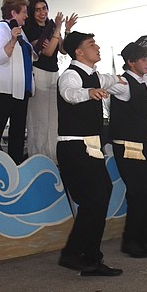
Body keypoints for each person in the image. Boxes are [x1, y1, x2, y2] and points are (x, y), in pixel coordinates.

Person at [56, 31, 124, 277]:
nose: (97, 47)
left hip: (90, 147)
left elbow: (107, 79)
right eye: (91, 44)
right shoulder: (71, 75)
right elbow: (69, 94)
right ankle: (75, 254)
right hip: (74, 146)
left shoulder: (93, 74)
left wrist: (124, 79)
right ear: (78, 52)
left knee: (100, 195)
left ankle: (89, 257)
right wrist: (88, 93)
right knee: (95, 198)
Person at [109, 42, 147, 259]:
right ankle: (132, 241)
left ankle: (144, 240)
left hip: (141, 145)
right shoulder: (123, 84)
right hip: (126, 145)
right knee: (138, 193)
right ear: (130, 62)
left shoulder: (141, 82)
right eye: (143, 59)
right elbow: (107, 83)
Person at [23, 0, 77, 163]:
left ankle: (54, 155)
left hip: (54, 74)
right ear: (32, 12)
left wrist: (66, 30)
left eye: (44, 8)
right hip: (39, 73)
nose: (42, 13)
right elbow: (46, 52)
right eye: (37, 10)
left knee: (54, 117)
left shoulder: (51, 26)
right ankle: (38, 155)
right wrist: (57, 29)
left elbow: (62, 50)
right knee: (39, 118)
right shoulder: (30, 29)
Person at [0, 0, 34, 163]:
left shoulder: (20, 31)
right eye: (24, 12)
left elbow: (29, 55)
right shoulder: (0, 30)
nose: (26, 16)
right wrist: (12, 40)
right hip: (4, 89)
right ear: (13, 13)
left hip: (21, 89)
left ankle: (15, 162)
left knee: (18, 129)